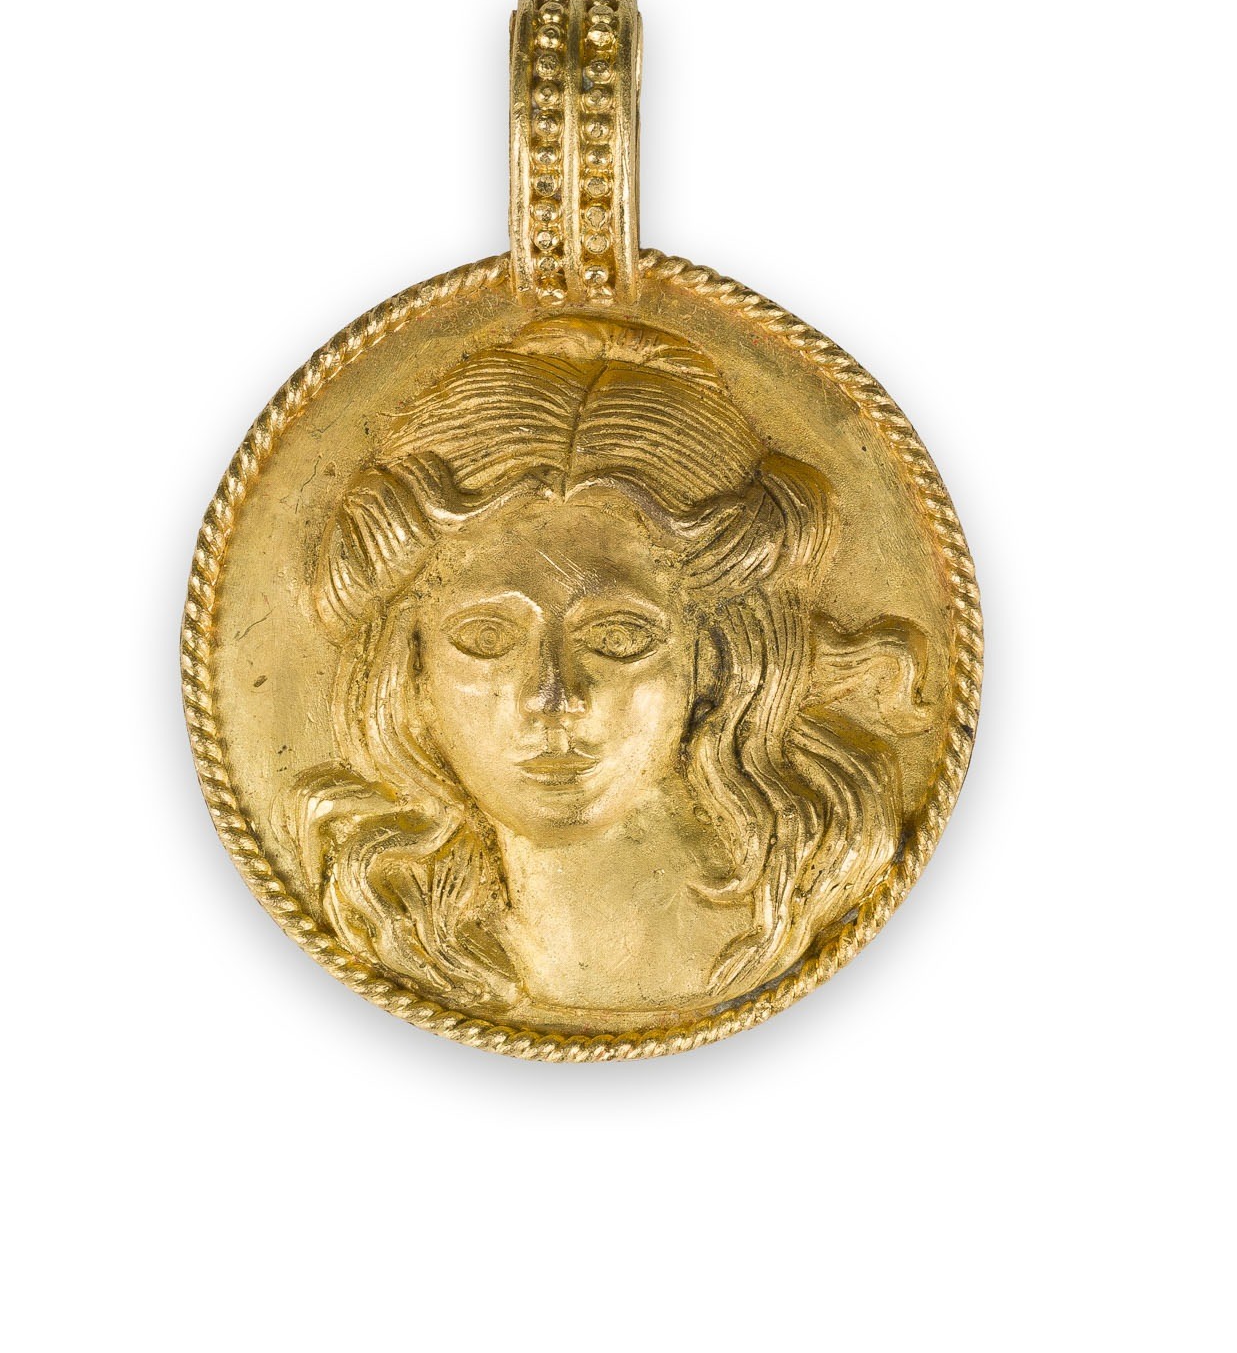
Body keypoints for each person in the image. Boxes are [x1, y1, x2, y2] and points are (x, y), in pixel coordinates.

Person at [274, 315, 930, 1025]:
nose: (551, 695)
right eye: (487, 636)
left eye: (618, 636)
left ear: (717, 660)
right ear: (409, 668)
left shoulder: (802, 917)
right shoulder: (402, 934)